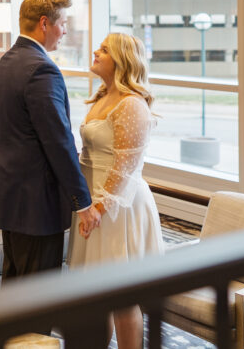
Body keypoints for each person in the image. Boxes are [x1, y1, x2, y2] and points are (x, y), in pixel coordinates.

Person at [0, 0, 102, 281]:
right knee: (37, 296)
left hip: (10, 193)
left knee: (14, 284)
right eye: (63, 23)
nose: (65, 31)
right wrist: (82, 202)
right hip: (36, 202)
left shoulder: (7, 61)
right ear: (45, 23)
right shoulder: (42, 70)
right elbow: (58, 142)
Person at [67, 32, 164, 349]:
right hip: (93, 203)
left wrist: (99, 208)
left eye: (104, 50)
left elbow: (127, 166)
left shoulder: (131, 104)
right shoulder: (101, 97)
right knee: (98, 292)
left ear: (121, 61)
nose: (95, 52)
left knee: (121, 296)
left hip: (118, 207)